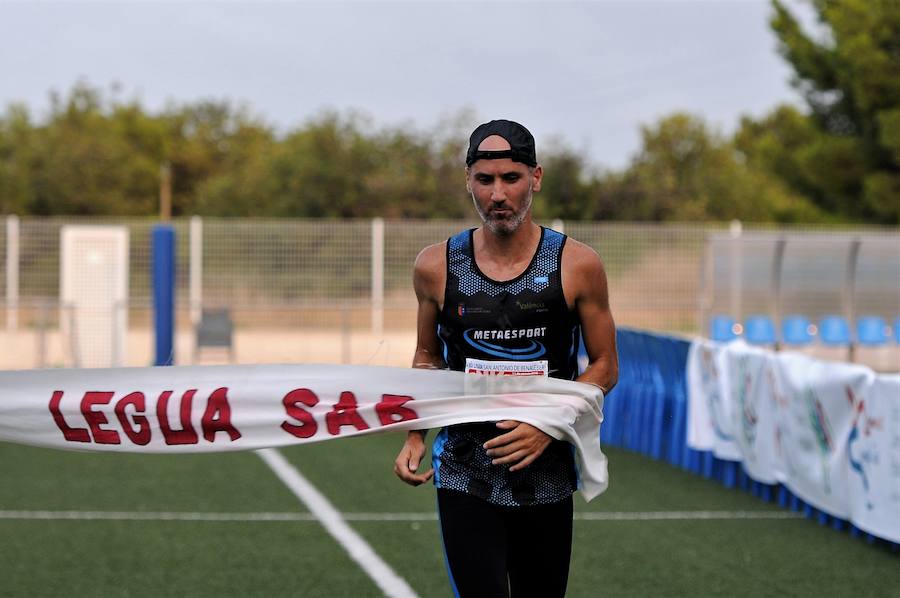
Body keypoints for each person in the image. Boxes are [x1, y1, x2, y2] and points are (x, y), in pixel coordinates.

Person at [393, 119, 617, 598]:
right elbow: (427, 356)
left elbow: (604, 366)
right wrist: (415, 432)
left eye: (511, 179)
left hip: (547, 471)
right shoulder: (436, 265)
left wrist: (547, 422)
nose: (498, 194)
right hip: (463, 468)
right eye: (485, 180)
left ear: (535, 177)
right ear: (468, 182)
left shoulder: (576, 264)